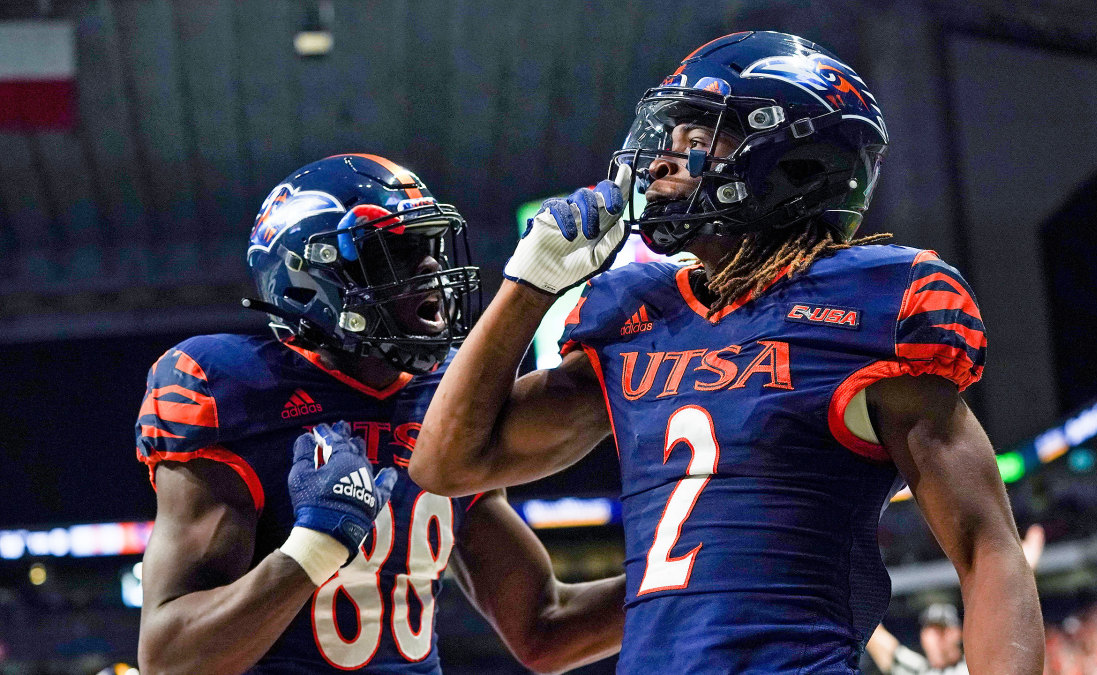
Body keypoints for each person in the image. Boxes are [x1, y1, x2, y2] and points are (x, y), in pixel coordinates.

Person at [410, 31, 1043, 674]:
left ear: (793, 159)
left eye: (696, 141)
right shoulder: (636, 310)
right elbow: (444, 463)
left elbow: (987, 550)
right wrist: (528, 287)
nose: (660, 164)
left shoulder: (876, 303)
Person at [135, 154, 624, 674]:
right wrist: (313, 549)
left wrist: (694, 577)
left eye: (428, 247)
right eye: (395, 253)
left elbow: (545, 628)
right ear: (311, 280)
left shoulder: (449, 399)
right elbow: (172, 660)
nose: (432, 268)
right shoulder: (233, 386)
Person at [866, 525, 1045, 674]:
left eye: (941, 630)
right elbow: (877, 638)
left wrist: (1025, 573)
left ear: (957, 634)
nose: (934, 637)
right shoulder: (920, 671)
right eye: (931, 630)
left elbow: (1006, 627)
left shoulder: (974, 667)